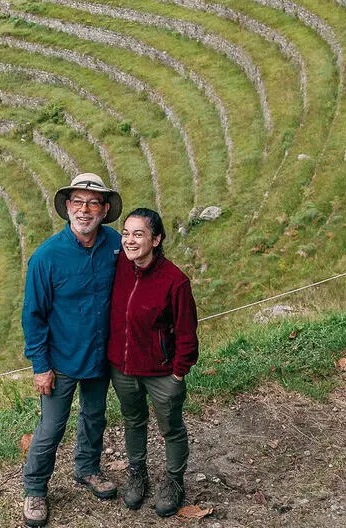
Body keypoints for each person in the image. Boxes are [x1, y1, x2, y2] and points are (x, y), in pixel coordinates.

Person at [21, 172, 123, 527]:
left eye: (93, 203)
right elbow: (33, 316)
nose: (84, 210)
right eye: (78, 202)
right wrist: (40, 365)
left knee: (95, 417)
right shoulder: (46, 257)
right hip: (60, 360)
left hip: (99, 355)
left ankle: (87, 469)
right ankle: (35, 489)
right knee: (51, 427)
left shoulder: (114, 244)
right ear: (67, 207)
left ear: (104, 209)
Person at [106, 207, 199, 517]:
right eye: (126, 233)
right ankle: (137, 474)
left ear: (156, 239)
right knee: (133, 421)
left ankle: (173, 481)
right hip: (123, 368)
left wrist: (177, 375)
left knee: (171, 428)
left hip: (161, 373)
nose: (130, 240)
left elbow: (187, 335)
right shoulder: (119, 265)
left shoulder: (175, 281)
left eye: (139, 234)